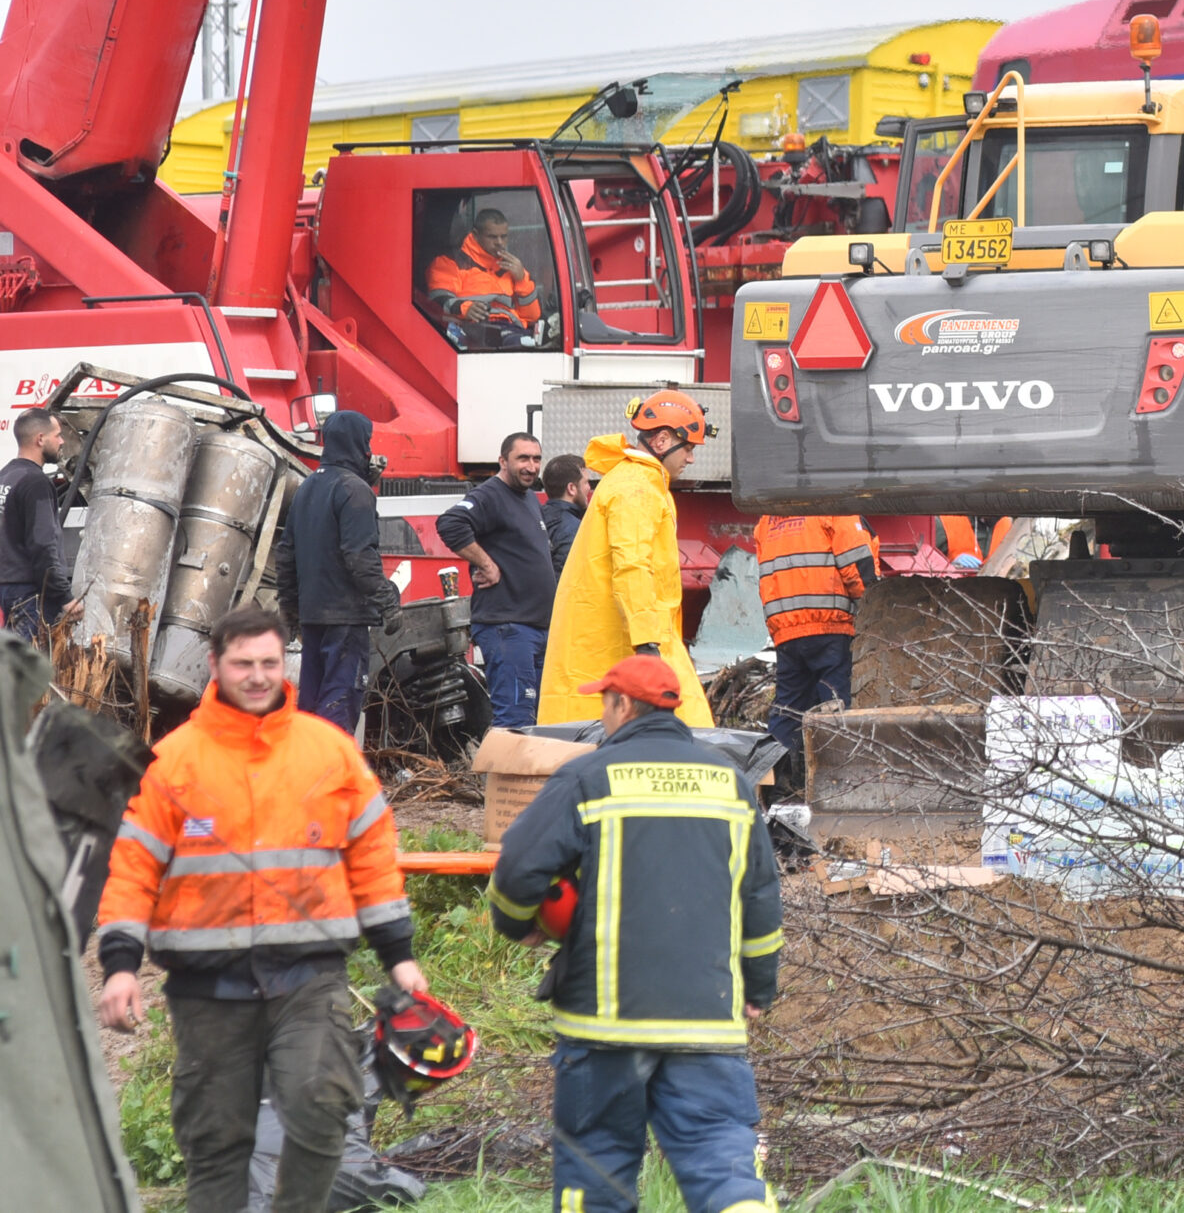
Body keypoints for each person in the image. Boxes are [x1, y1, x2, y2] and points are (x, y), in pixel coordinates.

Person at [96, 604, 428, 1213]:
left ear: (285, 665)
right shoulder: (174, 762)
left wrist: (399, 958)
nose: (257, 675)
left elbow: (373, 861)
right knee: (215, 1140)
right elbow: (133, 870)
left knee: (324, 1105)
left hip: (309, 979)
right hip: (207, 989)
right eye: (243, 663)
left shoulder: (328, 753)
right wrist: (120, 965)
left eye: (269, 663)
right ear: (216, 665)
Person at [489, 653, 782, 1213]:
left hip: (604, 1027)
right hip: (706, 1021)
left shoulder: (587, 776)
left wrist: (519, 924)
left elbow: (517, 869)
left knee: (596, 1163)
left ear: (622, 705)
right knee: (721, 1155)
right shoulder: (731, 783)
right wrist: (757, 989)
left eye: (604, 702)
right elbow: (762, 902)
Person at [539, 390, 716, 728]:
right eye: (689, 448)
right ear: (662, 440)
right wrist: (647, 644)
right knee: (690, 729)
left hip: (610, 643)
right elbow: (632, 566)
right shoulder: (637, 488)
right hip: (626, 641)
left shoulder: (633, 482)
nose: (691, 459)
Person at [275, 408, 401, 732]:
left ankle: (305, 774)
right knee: (339, 701)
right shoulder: (353, 490)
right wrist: (387, 599)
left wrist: (290, 610)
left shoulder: (306, 487)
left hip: (312, 616)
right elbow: (359, 555)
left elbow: (286, 553)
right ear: (360, 443)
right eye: (367, 442)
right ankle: (330, 777)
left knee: (311, 703)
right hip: (346, 617)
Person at [437, 432, 557, 729]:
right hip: (508, 627)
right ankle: (501, 776)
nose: (531, 466)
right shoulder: (490, 495)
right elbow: (450, 523)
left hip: (535, 629)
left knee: (536, 721)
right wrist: (486, 563)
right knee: (514, 721)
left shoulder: (528, 498)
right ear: (503, 461)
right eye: (522, 459)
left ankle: (527, 777)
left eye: (536, 459)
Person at [752, 513, 873, 790]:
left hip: (786, 630)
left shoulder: (768, 520)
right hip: (829, 626)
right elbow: (855, 566)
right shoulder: (834, 508)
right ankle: (838, 785)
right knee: (835, 705)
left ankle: (772, 787)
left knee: (788, 709)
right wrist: (873, 600)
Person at [0, 406, 81, 633]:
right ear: (40, 439)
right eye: (57, 435)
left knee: (13, 665)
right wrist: (65, 597)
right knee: (29, 667)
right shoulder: (35, 482)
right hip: (30, 597)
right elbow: (43, 546)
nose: (62, 441)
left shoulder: (6, 476)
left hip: (7, 591)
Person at [424, 207, 541, 346]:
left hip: (510, 330)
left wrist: (521, 281)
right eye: (492, 237)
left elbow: (532, 317)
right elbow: (436, 302)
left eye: (504, 236)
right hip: (469, 333)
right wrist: (465, 309)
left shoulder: (514, 268)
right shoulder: (450, 262)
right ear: (475, 235)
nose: (500, 242)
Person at [540, 453, 593, 575]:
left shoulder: (536, 517)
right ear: (571, 488)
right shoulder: (575, 530)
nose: (589, 488)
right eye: (586, 482)